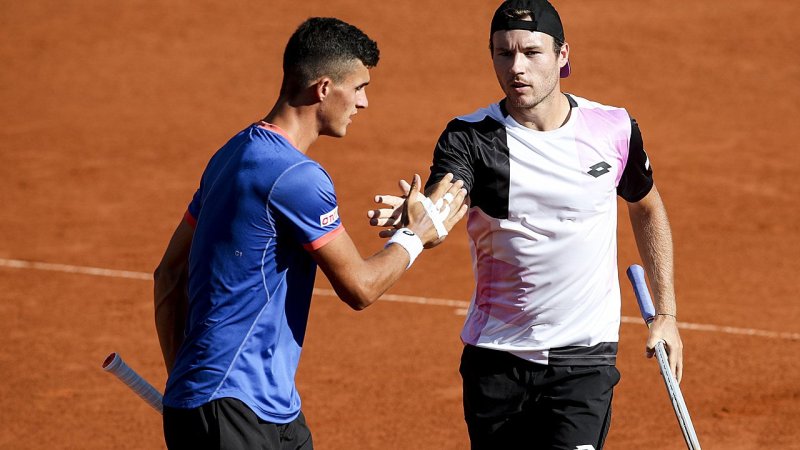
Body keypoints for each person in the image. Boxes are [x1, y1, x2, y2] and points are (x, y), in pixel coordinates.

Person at [369, 1, 683, 448]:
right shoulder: (471, 137)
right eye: (503, 53)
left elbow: (646, 206)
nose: (516, 67)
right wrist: (421, 222)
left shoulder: (612, 128)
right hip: (498, 359)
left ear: (562, 54)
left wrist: (667, 315)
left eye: (532, 53)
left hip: (584, 359)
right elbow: (443, 204)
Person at [153, 17, 468, 450]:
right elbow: (360, 287)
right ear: (323, 88)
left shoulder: (232, 153)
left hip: (261, 407)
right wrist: (416, 235)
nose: (364, 103)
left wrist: (185, 387)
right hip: (234, 409)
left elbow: (168, 275)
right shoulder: (297, 176)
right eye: (359, 88)